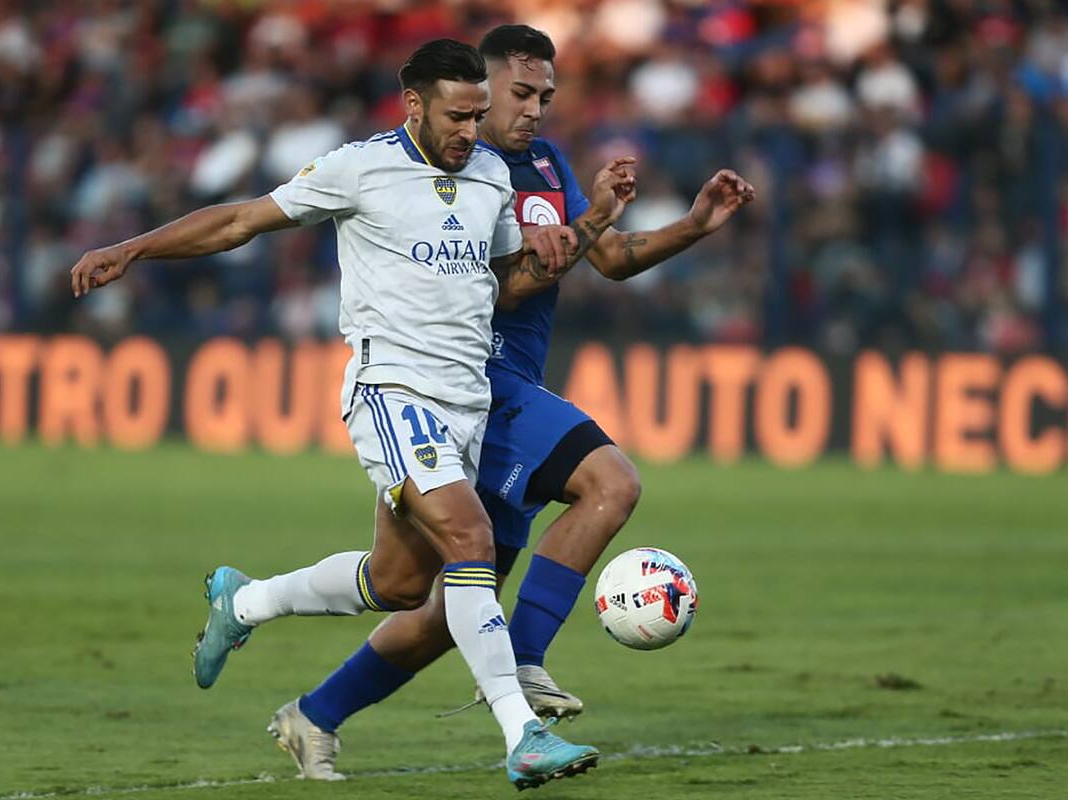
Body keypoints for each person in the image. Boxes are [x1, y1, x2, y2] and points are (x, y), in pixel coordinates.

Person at [70, 38, 636, 790]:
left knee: (400, 584)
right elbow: (240, 222)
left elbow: (509, 281)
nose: (471, 132)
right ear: (414, 106)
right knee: (470, 540)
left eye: (477, 117)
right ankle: (522, 734)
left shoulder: (490, 175)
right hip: (393, 392)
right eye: (457, 117)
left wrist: (581, 230)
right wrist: (134, 249)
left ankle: (245, 601)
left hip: (466, 402)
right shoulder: (359, 168)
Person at [267, 25, 755, 781]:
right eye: (519, 93)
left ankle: (313, 713)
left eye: (545, 97)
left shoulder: (546, 164)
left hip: (502, 386)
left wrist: (692, 225)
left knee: (441, 609)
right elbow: (490, 289)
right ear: (477, 89)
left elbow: (610, 259)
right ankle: (524, 673)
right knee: (610, 482)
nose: (533, 110)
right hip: (474, 381)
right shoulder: (449, 175)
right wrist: (584, 224)